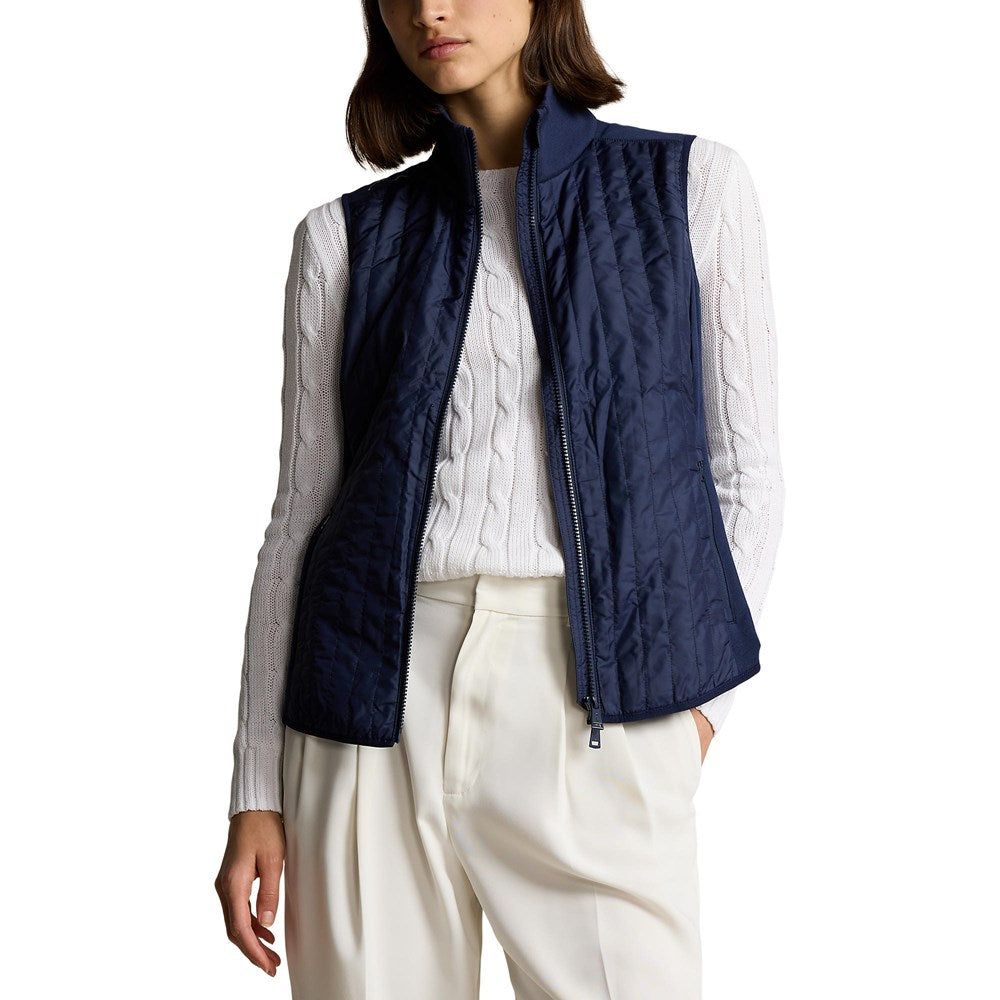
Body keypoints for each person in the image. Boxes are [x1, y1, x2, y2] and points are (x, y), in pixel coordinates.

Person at [215, 1, 784, 996]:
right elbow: (301, 516)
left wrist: (690, 715)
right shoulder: (343, 239)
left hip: (596, 696)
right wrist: (255, 787)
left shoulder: (690, 187)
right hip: (367, 702)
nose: (427, 10)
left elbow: (745, 478)